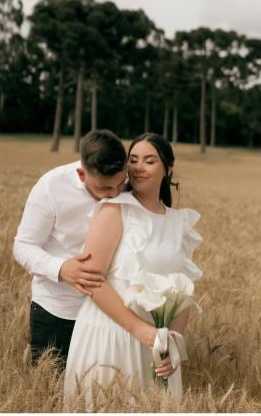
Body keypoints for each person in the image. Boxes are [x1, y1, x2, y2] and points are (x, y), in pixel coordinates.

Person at [64, 133, 202, 406]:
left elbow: (183, 289)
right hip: (109, 336)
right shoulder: (115, 209)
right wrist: (140, 330)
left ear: (168, 168)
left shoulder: (179, 223)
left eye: (149, 161)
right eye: (133, 160)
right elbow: (92, 281)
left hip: (156, 346)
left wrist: (173, 343)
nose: (138, 167)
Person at [13, 129, 129, 364]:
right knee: (50, 390)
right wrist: (61, 268)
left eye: (120, 183)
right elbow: (23, 246)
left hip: (109, 315)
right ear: (82, 174)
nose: (116, 193)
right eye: (105, 189)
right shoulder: (50, 187)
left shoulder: (125, 185)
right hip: (59, 311)